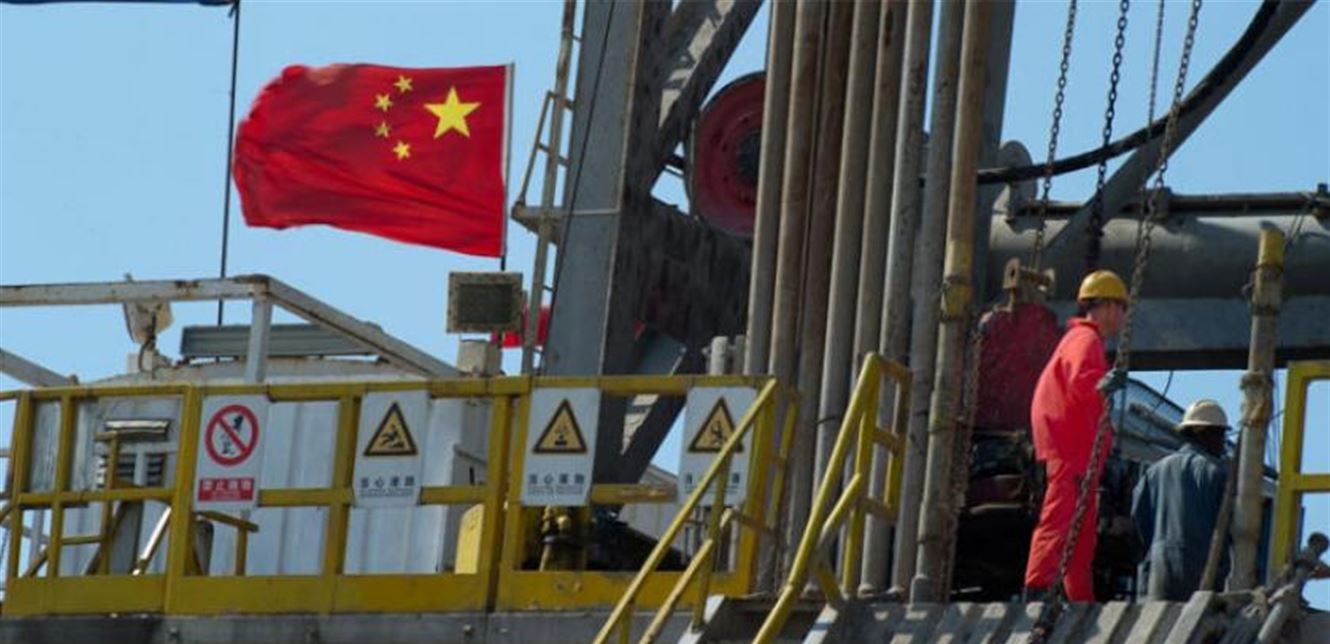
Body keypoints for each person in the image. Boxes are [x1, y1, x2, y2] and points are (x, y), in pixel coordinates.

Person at [1023, 270, 1129, 602]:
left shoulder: (1080, 340)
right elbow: (1082, 381)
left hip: (1079, 453)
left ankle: (1081, 600)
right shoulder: (1085, 339)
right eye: (1122, 308)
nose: (1123, 317)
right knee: (1061, 517)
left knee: (1081, 532)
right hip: (1069, 449)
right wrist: (1103, 385)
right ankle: (1037, 589)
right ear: (1108, 306)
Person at [1131, 399, 1231, 601]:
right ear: (1204, 434)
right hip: (1202, 575)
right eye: (1221, 435)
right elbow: (1232, 527)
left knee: (1157, 620)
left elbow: (1139, 521)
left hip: (1158, 573)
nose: (1223, 444)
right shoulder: (1218, 473)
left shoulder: (1154, 472)